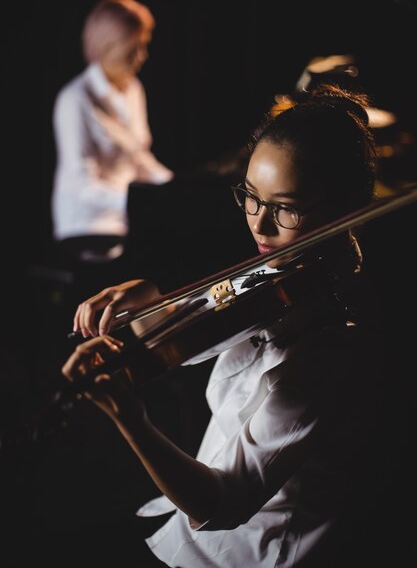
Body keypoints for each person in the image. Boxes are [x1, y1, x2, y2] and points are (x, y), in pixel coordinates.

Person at [62, 84, 386, 567]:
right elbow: (200, 326)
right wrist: (152, 299)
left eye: (287, 208)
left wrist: (132, 421)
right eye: (252, 197)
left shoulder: (330, 351)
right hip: (182, 527)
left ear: (346, 211)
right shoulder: (280, 271)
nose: (260, 224)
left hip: (246, 554)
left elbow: (223, 506)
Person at [51, 0, 174, 264]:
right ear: (108, 46)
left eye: (145, 46)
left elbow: (139, 157)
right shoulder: (74, 99)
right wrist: (141, 202)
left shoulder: (134, 89)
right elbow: (81, 186)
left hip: (126, 219)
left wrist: (175, 186)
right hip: (87, 226)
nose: (142, 56)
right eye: (134, 48)